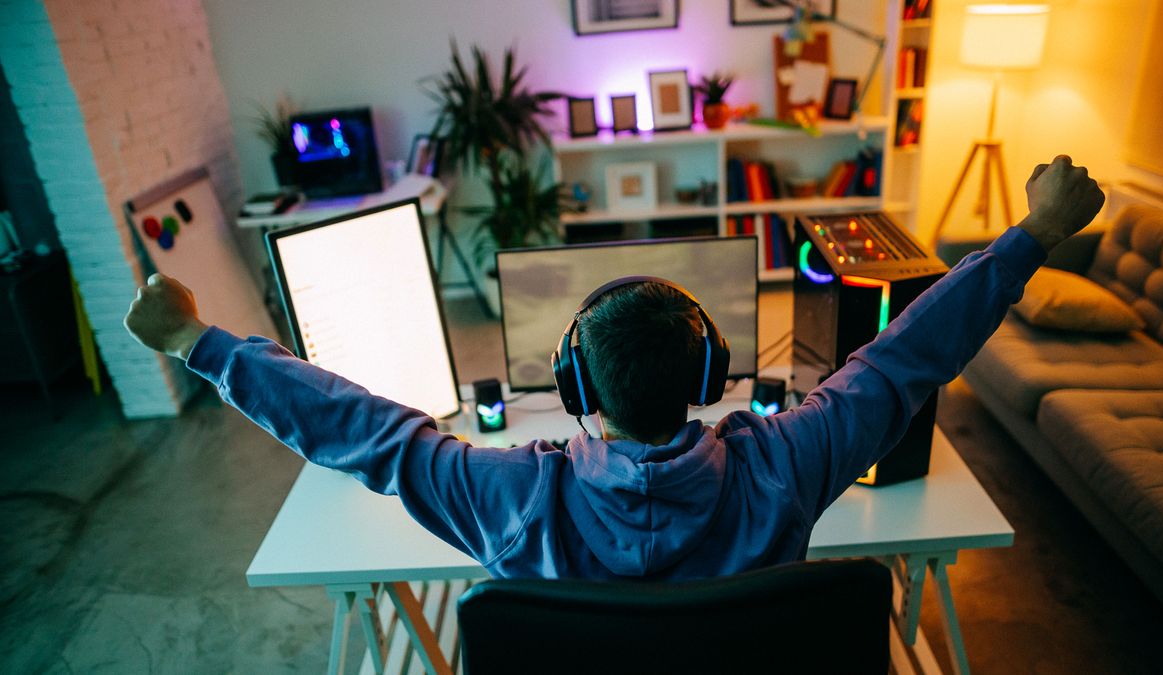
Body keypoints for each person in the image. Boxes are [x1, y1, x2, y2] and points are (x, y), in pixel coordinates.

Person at [125, 156, 1104, 580]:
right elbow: (901, 364)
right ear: (712, 370)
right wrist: (1032, 235)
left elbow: (362, 433)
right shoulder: (790, 464)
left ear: (577, 389)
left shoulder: (501, 492)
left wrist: (199, 344)